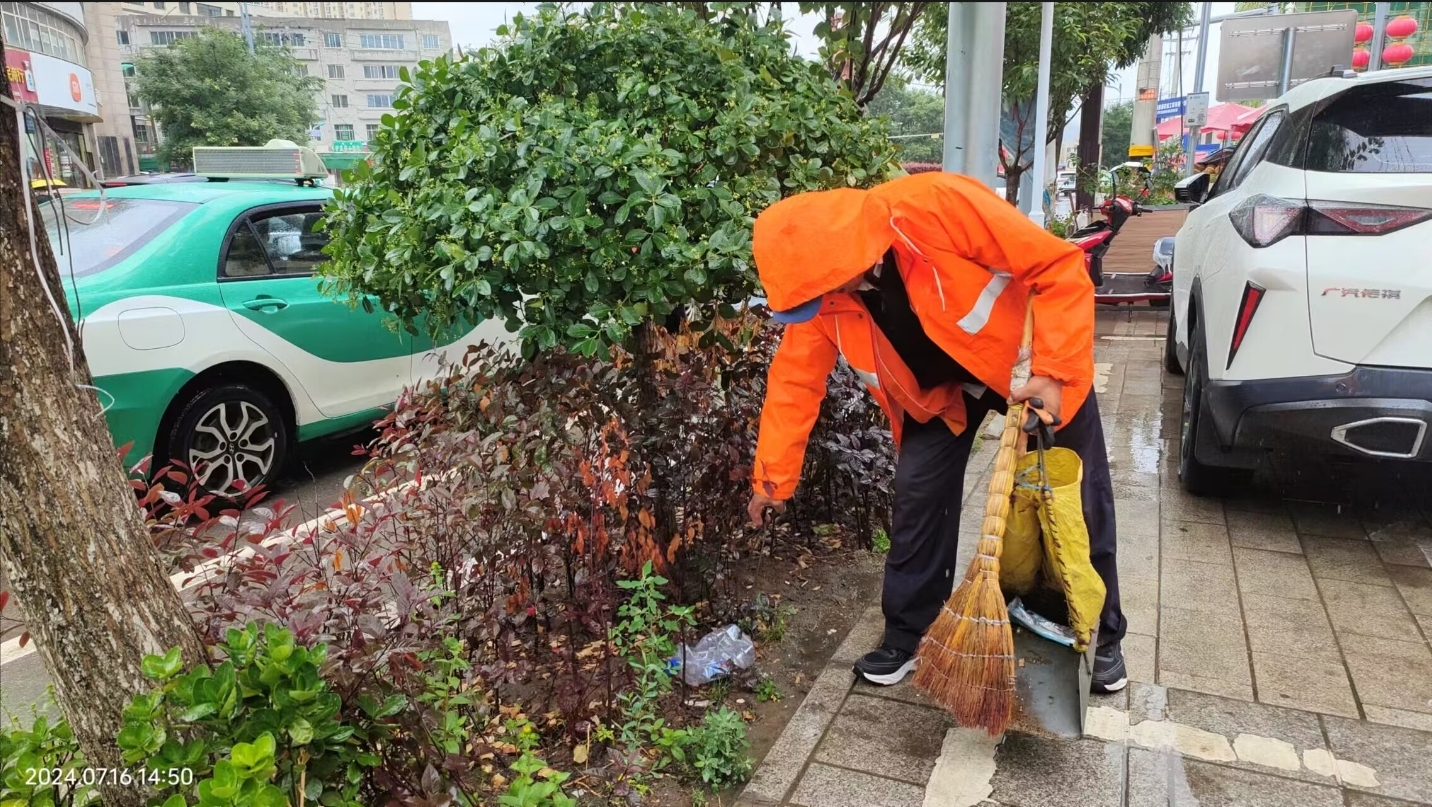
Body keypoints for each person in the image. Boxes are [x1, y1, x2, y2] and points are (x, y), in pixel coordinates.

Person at [745, 171, 1127, 694]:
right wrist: (772, 482)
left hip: (1027, 367)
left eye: (827, 290)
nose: (824, 302)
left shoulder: (938, 206)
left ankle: (1103, 638)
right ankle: (909, 634)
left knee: (1075, 498)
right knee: (918, 496)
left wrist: (1053, 372)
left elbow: (1056, 264)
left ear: (848, 259)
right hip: (943, 396)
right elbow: (793, 384)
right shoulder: (823, 295)